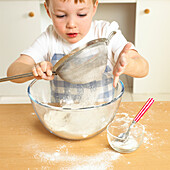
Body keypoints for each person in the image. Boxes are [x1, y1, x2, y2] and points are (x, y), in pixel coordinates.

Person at [7, 0, 149, 102]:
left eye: (81, 14)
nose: (71, 24)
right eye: (61, 16)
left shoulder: (106, 32)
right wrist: (34, 69)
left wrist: (128, 64)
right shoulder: (48, 39)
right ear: (48, 10)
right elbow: (13, 71)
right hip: (63, 117)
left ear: (94, 7)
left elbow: (143, 68)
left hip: (102, 115)